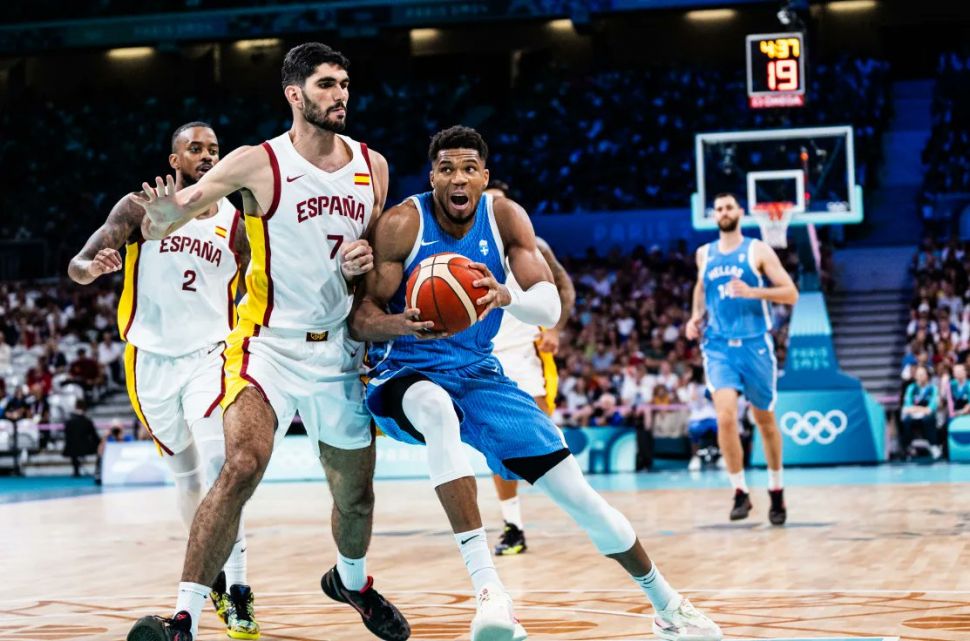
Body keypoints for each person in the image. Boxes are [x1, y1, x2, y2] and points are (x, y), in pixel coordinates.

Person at [352, 125, 721, 641]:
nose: (458, 178)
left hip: (478, 374)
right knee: (435, 408)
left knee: (581, 497)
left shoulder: (505, 217)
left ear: (484, 177)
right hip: (404, 372)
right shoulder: (401, 224)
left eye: (469, 169)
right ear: (432, 175)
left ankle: (668, 606)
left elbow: (548, 305)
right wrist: (401, 324)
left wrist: (507, 296)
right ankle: (491, 594)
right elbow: (361, 318)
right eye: (447, 168)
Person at [122, 43, 409, 641]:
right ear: (294, 95)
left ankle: (352, 583)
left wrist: (360, 266)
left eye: (344, 84)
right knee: (240, 466)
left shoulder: (373, 166)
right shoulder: (257, 162)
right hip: (265, 346)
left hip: (337, 351)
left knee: (355, 497)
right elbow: (179, 209)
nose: (341, 95)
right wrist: (160, 215)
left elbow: (375, 262)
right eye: (327, 84)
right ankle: (184, 618)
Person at [69, 121, 262, 639]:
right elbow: (78, 265)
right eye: (195, 148)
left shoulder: (237, 222)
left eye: (214, 149)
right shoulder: (139, 208)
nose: (206, 155)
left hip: (211, 356)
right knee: (188, 478)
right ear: (174, 160)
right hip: (150, 362)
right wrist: (94, 267)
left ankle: (238, 589)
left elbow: (260, 283)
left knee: (223, 468)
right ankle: (213, 577)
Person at [685, 192, 798, 525]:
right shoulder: (704, 253)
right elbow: (700, 288)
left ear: (740, 212)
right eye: (719, 208)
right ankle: (739, 492)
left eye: (729, 207)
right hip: (718, 346)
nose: (723, 212)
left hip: (755, 345)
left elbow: (790, 293)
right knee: (725, 417)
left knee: (764, 421)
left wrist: (753, 291)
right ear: (714, 215)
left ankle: (776, 489)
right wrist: (695, 317)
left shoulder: (757, 250)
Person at [483, 180, 576, 557]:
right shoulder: (459, 248)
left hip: (526, 353)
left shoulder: (533, 246)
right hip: (486, 356)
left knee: (543, 440)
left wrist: (555, 329)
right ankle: (513, 526)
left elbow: (565, 289)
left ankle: (583, 506)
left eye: (501, 204)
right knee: (497, 446)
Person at [900, 364, 941, 459]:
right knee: (906, 420)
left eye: (922, 374)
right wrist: (920, 409)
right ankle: (907, 447)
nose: (920, 376)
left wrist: (917, 409)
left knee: (928, 419)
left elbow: (931, 408)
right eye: (918, 374)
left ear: (927, 376)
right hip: (913, 415)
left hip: (927, 416)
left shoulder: (933, 388)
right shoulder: (911, 388)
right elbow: (907, 407)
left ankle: (933, 445)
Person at [62, 399, 100, 477]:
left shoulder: (69, 421)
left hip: (72, 447)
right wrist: (101, 442)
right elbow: (94, 435)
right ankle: (98, 469)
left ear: (75, 406)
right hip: (85, 446)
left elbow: (66, 434)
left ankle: (76, 471)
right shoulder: (87, 421)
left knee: (72, 446)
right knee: (100, 447)